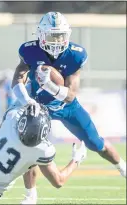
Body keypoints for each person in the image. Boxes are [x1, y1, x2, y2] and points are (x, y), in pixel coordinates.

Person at [11, 11, 126, 204]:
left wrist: (50, 85)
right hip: (38, 105)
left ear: (68, 35)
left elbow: (71, 94)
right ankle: (30, 195)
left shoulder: (75, 54)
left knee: (95, 142)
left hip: (66, 106)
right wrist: (27, 100)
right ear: (40, 35)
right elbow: (17, 79)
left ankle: (122, 166)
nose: (56, 40)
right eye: (52, 35)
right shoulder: (29, 50)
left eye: (60, 35)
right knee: (29, 145)